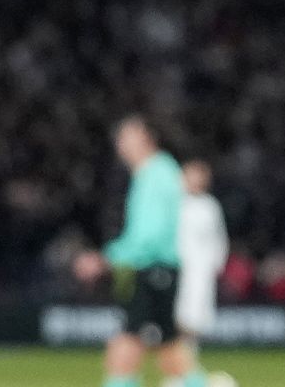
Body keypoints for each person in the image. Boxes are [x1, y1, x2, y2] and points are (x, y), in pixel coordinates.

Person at [72, 116, 212, 387]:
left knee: (128, 341)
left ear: (146, 138)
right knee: (166, 345)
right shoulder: (154, 172)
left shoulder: (156, 174)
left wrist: (105, 258)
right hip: (158, 268)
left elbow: (149, 233)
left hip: (152, 268)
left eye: (126, 136)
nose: (120, 143)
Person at [173, 160, 229, 373]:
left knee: (195, 320)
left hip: (201, 271)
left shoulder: (210, 206)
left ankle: (188, 362)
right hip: (178, 268)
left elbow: (218, 238)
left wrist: (217, 264)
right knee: (178, 318)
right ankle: (179, 365)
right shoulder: (175, 203)